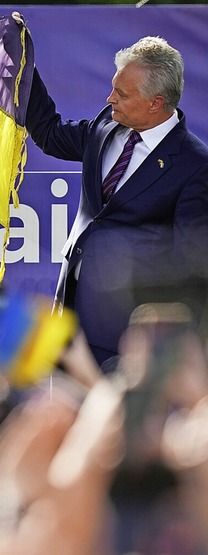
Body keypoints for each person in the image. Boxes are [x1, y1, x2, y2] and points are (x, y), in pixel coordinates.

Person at [21, 21, 208, 370]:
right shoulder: (107, 126)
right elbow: (49, 134)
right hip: (68, 321)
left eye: (122, 94)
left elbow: (191, 271)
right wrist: (23, 68)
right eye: (112, 89)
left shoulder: (195, 166)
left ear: (156, 103)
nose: (110, 100)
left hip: (125, 344)